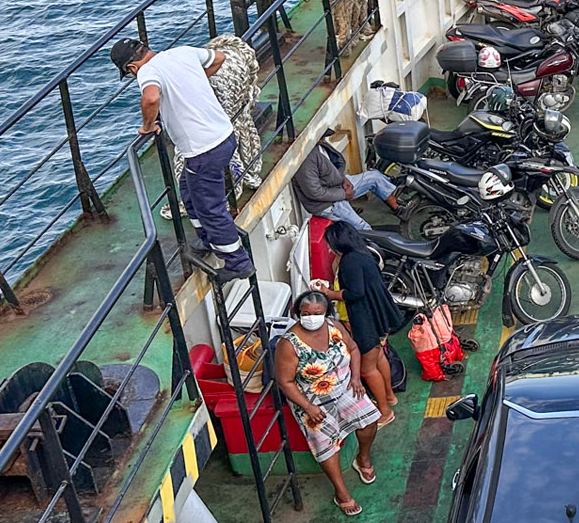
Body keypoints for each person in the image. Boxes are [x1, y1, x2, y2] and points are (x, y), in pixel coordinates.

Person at [112, 39, 253, 281]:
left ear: (131, 68)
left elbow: (151, 98)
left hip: (202, 151)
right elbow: (218, 57)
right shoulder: (182, 53)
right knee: (188, 190)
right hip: (224, 137)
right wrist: (192, 86)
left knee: (211, 208)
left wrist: (147, 126)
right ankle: (207, 239)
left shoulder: (147, 71)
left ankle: (238, 262)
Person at [273, 290, 381, 516]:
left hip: (344, 387)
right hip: (311, 400)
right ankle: (341, 492)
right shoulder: (289, 344)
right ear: (298, 313)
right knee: (325, 444)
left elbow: (353, 349)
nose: (311, 317)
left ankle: (363, 458)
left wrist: (355, 377)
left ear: (326, 313)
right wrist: (309, 407)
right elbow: (285, 382)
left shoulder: (334, 326)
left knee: (370, 420)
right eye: (306, 313)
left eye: (317, 313)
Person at [312, 222, 406, 426]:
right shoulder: (363, 253)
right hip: (380, 317)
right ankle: (389, 396)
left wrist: (328, 294)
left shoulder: (349, 262)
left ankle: (385, 412)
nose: (329, 248)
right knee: (379, 355)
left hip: (366, 321)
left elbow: (355, 293)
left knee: (367, 369)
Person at [294, 133, 399, 232]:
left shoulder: (319, 145)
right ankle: (374, 249)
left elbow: (332, 167)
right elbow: (315, 192)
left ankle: (399, 210)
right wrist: (344, 195)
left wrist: (343, 178)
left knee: (374, 177)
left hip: (337, 185)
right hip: (327, 203)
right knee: (363, 228)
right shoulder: (306, 160)